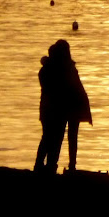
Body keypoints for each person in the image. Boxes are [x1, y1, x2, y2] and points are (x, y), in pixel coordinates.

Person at [51, 39, 92, 172]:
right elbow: (79, 88)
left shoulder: (60, 67)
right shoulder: (69, 67)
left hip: (66, 106)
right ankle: (70, 164)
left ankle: (56, 163)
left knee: (60, 135)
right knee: (70, 136)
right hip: (72, 106)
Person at [34, 44, 66, 173]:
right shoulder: (53, 70)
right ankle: (44, 165)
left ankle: (48, 165)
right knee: (51, 138)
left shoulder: (47, 69)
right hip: (53, 109)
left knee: (51, 138)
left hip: (49, 109)